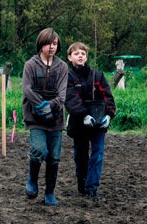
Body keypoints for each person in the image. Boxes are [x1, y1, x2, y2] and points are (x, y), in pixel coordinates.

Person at [22, 28, 68, 206]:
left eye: (55, 44)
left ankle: (50, 193)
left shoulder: (62, 66)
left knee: (54, 157)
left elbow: (62, 95)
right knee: (39, 150)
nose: (52, 47)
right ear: (41, 44)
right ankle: (32, 178)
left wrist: (51, 106)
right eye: (49, 43)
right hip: (35, 117)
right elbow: (27, 89)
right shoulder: (30, 65)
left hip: (56, 118)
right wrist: (41, 105)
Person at [65, 42, 116, 201]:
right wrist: (84, 115)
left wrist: (108, 115)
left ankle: (92, 187)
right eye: (76, 53)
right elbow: (70, 99)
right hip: (79, 123)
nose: (80, 55)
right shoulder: (68, 77)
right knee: (80, 155)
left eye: (83, 53)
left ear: (86, 57)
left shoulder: (97, 75)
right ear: (69, 57)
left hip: (98, 122)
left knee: (98, 153)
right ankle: (82, 181)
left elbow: (108, 97)